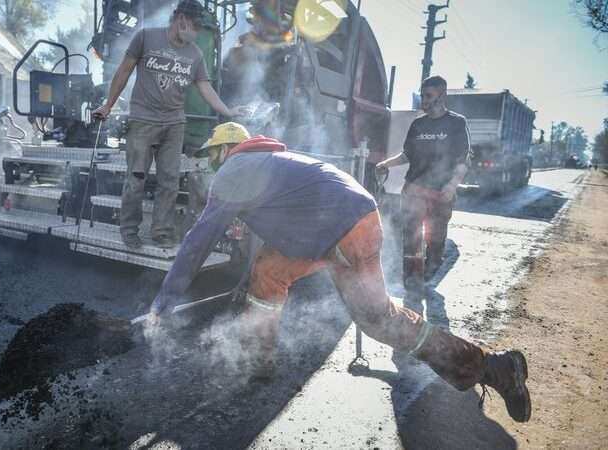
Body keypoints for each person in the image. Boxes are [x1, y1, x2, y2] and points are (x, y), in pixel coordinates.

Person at [149, 122, 531, 423]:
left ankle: (493, 367)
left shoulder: (234, 168)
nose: (211, 166)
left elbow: (198, 242)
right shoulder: (266, 162)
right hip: (343, 225)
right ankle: (257, 359)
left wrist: (164, 303)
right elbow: (279, 218)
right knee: (268, 271)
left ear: (225, 149)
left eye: (213, 156)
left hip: (342, 230)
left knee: (380, 320)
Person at [93, 0, 244, 249]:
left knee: (169, 181)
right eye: (194, 26)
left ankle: (161, 231)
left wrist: (227, 110)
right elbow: (123, 71)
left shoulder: (194, 53)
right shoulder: (146, 38)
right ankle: (129, 230)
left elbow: (205, 87)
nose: (196, 33)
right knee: (136, 178)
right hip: (143, 120)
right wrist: (108, 105)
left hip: (174, 123)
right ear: (181, 19)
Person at [375, 75, 471, 311]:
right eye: (423, 95)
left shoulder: (456, 124)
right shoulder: (418, 124)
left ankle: (427, 276)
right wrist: (386, 164)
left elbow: (463, 160)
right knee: (411, 240)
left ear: (442, 95)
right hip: (414, 190)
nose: (424, 101)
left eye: (429, 96)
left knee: (435, 244)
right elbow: (407, 155)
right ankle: (412, 285)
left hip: (441, 194)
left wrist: (452, 186)